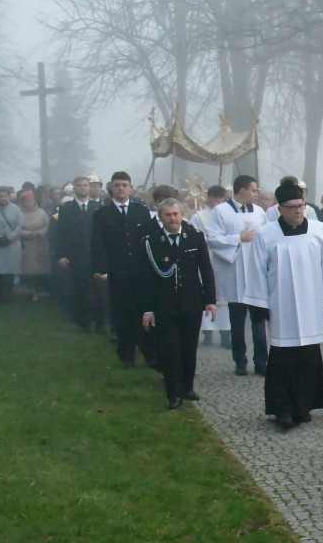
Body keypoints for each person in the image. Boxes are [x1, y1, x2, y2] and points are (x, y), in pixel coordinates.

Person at [244, 179, 323, 429]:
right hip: (282, 306)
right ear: (280, 209)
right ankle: (283, 408)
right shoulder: (266, 235)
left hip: (310, 305)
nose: (298, 211)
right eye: (292, 207)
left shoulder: (319, 230)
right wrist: (260, 307)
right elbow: (256, 272)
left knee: (309, 355)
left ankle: (305, 405)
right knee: (282, 357)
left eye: (301, 206)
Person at [139, 199, 217, 409]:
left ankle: (187, 386)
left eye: (176, 214)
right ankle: (173, 393)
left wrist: (210, 300)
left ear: (182, 214)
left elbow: (206, 270)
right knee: (170, 349)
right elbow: (146, 278)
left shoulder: (194, 236)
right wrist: (148, 308)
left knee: (189, 347)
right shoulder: (152, 241)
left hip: (191, 301)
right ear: (161, 218)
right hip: (165, 304)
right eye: (168, 215)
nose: (173, 219)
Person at [91, 171, 155, 368]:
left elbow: (149, 240)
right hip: (117, 271)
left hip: (140, 271)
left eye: (124, 185)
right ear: (111, 187)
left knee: (143, 311)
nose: (121, 188)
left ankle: (150, 353)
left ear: (130, 187)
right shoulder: (102, 214)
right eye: (117, 185)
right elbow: (97, 243)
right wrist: (101, 269)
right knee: (122, 314)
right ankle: (126, 355)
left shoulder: (141, 211)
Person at [207, 174, 268, 376]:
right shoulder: (220, 211)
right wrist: (237, 238)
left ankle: (261, 362)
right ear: (242, 190)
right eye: (253, 190)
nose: (256, 193)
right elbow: (212, 239)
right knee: (237, 322)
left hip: (256, 274)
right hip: (234, 273)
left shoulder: (259, 212)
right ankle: (240, 361)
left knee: (259, 323)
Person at [55, 176, 106, 331]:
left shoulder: (98, 208)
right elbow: (60, 234)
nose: (83, 188)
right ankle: (83, 321)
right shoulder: (66, 208)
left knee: (99, 291)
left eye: (85, 185)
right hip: (75, 255)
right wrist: (61, 255)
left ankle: (101, 323)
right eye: (80, 185)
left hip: (95, 255)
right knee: (80, 288)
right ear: (74, 188)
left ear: (89, 188)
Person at [190, 185, 231, 348]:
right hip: (205, 259)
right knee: (207, 294)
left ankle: (226, 334)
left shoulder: (228, 215)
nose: (218, 201)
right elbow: (194, 238)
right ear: (208, 198)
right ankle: (206, 333)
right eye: (215, 197)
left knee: (225, 298)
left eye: (221, 198)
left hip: (224, 261)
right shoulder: (199, 217)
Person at [18, 190, 51, 300]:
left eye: (31, 200)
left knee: (42, 268)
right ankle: (32, 290)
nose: (29, 203)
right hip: (27, 245)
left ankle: (41, 289)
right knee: (29, 270)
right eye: (26, 201)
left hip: (41, 243)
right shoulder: (19, 214)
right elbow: (18, 229)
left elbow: (48, 226)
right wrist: (30, 234)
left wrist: (41, 232)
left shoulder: (42, 213)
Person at [0, 186, 22, 303]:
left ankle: (8, 294)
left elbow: (19, 226)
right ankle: (1, 294)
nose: (3, 198)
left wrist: (9, 238)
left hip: (12, 244)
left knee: (11, 269)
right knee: (0, 270)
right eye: (1, 196)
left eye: (5, 196)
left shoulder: (16, 209)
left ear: (9, 196)